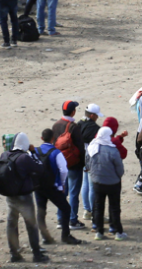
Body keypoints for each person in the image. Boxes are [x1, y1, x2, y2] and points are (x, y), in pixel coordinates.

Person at [0, 133, 49, 264]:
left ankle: (14, 254)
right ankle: (37, 254)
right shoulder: (24, 158)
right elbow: (40, 167)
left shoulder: (5, 155)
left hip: (10, 196)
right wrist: (33, 152)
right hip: (24, 197)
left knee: (11, 224)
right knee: (31, 226)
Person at [33, 130, 83, 248]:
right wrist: (62, 183)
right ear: (53, 138)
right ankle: (65, 235)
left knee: (41, 210)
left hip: (38, 186)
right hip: (52, 186)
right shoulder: (56, 153)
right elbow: (64, 170)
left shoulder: (34, 151)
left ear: (41, 138)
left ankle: (45, 236)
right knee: (65, 208)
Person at [51, 100, 87, 230]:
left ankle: (61, 219)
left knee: (62, 192)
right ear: (73, 112)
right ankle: (72, 220)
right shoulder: (73, 127)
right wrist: (83, 163)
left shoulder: (56, 125)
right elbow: (80, 147)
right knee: (73, 193)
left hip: (59, 165)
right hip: (74, 165)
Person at [87, 127, 126, 241]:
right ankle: (118, 232)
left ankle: (99, 232)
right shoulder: (112, 151)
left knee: (98, 207)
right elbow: (119, 168)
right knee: (114, 207)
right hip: (113, 183)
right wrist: (119, 176)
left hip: (97, 182)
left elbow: (88, 164)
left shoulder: (92, 147)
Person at [77, 104, 102, 226]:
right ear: (92, 115)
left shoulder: (79, 124)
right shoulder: (94, 128)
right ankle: (94, 211)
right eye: (96, 115)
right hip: (91, 158)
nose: (97, 118)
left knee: (85, 183)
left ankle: (87, 210)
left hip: (81, 158)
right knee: (92, 186)